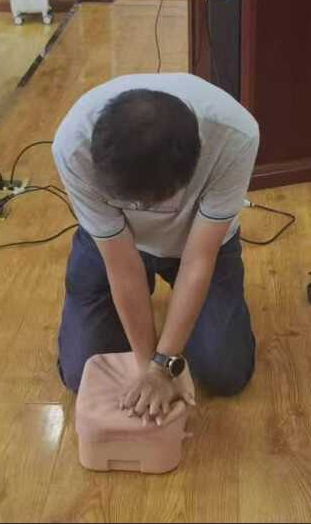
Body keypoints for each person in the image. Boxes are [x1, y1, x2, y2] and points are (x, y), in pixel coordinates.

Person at [54, 73, 259, 424]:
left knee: (225, 373)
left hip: (196, 242)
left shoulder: (235, 135)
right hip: (113, 245)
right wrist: (146, 367)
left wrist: (162, 366)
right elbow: (123, 267)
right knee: (79, 372)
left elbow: (198, 259)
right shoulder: (73, 146)